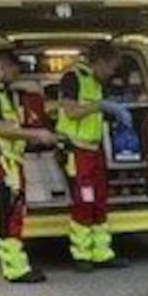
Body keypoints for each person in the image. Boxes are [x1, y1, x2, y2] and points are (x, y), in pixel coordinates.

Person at [0, 50, 57, 283]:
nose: (14, 76)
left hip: (8, 160)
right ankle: (16, 268)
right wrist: (36, 134)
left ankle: (14, 263)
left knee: (12, 212)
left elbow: (13, 93)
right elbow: (1, 129)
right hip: (2, 162)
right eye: (13, 71)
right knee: (10, 214)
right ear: (2, 66)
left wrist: (26, 87)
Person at [55, 42, 132, 271]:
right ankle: (81, 254)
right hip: (77, 151)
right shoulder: (73, 78)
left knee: (99, 200)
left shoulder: (96, 82)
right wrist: (101, 106)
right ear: (99, 61)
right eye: (110, 67)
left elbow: (93, 114)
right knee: (85, 200)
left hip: (93, 150)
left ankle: (101, 252)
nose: (111, 73)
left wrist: (111, 114)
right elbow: (71, 112)